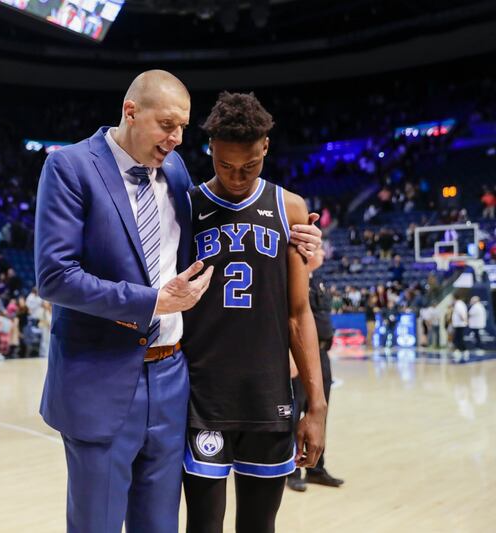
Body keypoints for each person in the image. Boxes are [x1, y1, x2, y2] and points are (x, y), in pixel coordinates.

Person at [34, 70, 322, 532]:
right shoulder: (70, 166)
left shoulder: (174, 171)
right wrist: (152, 303)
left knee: (161, 525)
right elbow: (55, 277)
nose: (176, 138)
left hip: (173, 380)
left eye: (183, 128)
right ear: (131, 112)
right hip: (104, 376)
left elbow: (226, 251)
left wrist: (303, 249)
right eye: (168, 125)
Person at [181, 92, 326, 533]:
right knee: (203, 525)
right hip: (203, 396)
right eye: (225, 165)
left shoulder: (291, 208)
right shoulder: (186, 206)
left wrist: (316, 406)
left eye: (249, 165)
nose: (237, 176)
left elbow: (299, 314)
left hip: (269, 396)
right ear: (210, 150)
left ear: (265, 147)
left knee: (260, 526)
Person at [288, 241, 344, 492]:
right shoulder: (294, 279)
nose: (322, 253)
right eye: (319, 249)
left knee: (320, 411)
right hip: (302, 355)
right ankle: (292, 469)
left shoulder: (317, 279)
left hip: (321, 354)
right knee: (296, 412)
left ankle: (316, 467)